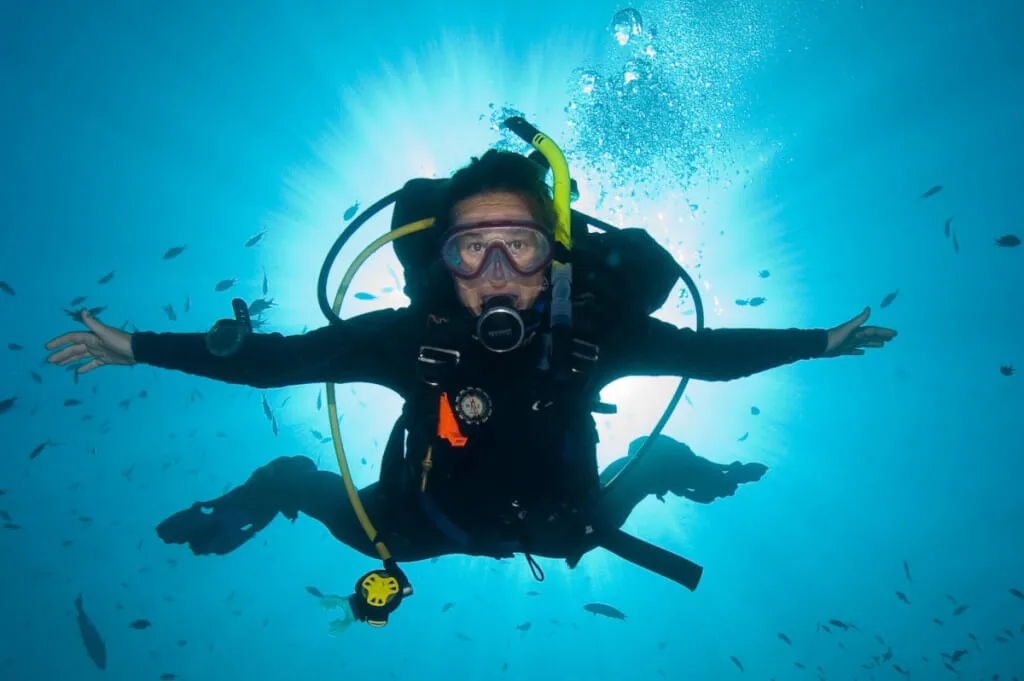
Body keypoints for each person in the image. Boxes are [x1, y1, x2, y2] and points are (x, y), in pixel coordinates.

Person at [45, 149, 896, 596]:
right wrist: (137, 345)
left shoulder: (591, 334)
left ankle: (671, 464)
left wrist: (817, 340)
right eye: (470, 247)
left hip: (568, 522)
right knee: (313, 493)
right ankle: (280, 479)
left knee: (633, 483)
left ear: (552, 257)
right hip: (419, 522)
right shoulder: (409, 338)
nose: (495, 268)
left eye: (518, 243)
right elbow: (281, 362)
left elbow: (705, 359)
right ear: (443, 264)